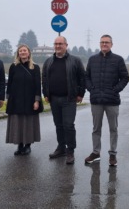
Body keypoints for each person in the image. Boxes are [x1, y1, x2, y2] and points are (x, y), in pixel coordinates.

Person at [84, 34, 129, 166]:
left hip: (112, 101)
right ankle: (95, 153)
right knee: (96, 128)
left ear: (111, 44)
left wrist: (115, 90)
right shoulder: (92, 60)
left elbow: (125, 78)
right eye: (102, 42)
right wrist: (91, 89)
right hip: (96, 100)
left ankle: (113, 154)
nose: (104, 44)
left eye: (107, 42)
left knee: (113, 128)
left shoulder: (118, 60)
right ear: (99, 44)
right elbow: (86, 77)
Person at [42, 36, 86, 165]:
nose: (58, 46)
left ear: (66, 45)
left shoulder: (75, 61)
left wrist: (80, 94)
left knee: (68, 125)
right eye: (55, 44)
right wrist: (46, 93)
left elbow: (82, 78)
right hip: (54, 99)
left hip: (69, 98)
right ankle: (61, 148)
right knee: (58, 125)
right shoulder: (49, 61)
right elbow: (44, 79)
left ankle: (70, 151)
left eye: (60, 44)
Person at [5, 44, 42, 155]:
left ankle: (28, 145)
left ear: (29, 52)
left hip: (30, 100)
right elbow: (10, 83)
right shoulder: (13, 66)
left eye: (24, 50)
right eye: (20, 51)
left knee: (28, 123)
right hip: (16, 99)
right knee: (18, 123)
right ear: (18, 53)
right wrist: (8, 98)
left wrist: (37, 100)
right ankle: (20, 145)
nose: (22, 52)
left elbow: (37, 85)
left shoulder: (35, 67)